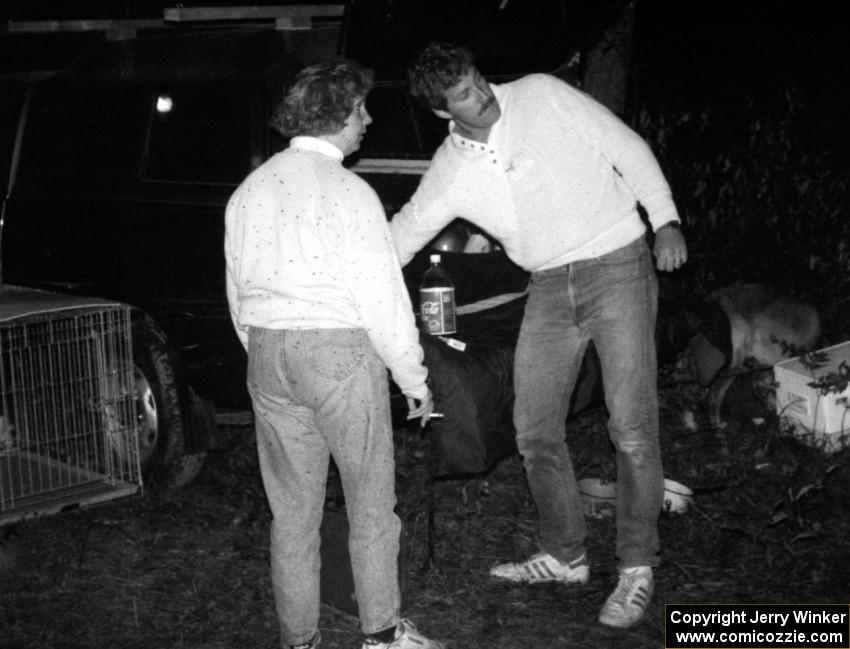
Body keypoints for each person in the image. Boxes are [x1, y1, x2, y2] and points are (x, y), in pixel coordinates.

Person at [389, 42, 688, 629]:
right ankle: (566, 554)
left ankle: (636, 567)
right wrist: (347, 290)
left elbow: (628, 148)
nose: (483, 97)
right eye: (464, 97)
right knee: (533, 428)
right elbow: (406, 229)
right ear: (441, 112)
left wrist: (666, 220)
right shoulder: (451, 168)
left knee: (629, 427)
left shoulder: (542, 95)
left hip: (618, 265)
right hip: (548, 287)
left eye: (478, 79)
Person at [225, 59, 446, 649]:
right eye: (360, 110)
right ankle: (380, 634)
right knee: (372, 504)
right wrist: (413, 380)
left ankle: (300, 641)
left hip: (267, 353)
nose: (368, 120)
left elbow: (236, 287)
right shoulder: (350, 191)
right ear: (335, 116)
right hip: (336, 354)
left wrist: (264, 351)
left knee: (292, 515)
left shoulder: (250, 189)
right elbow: (382, 297)